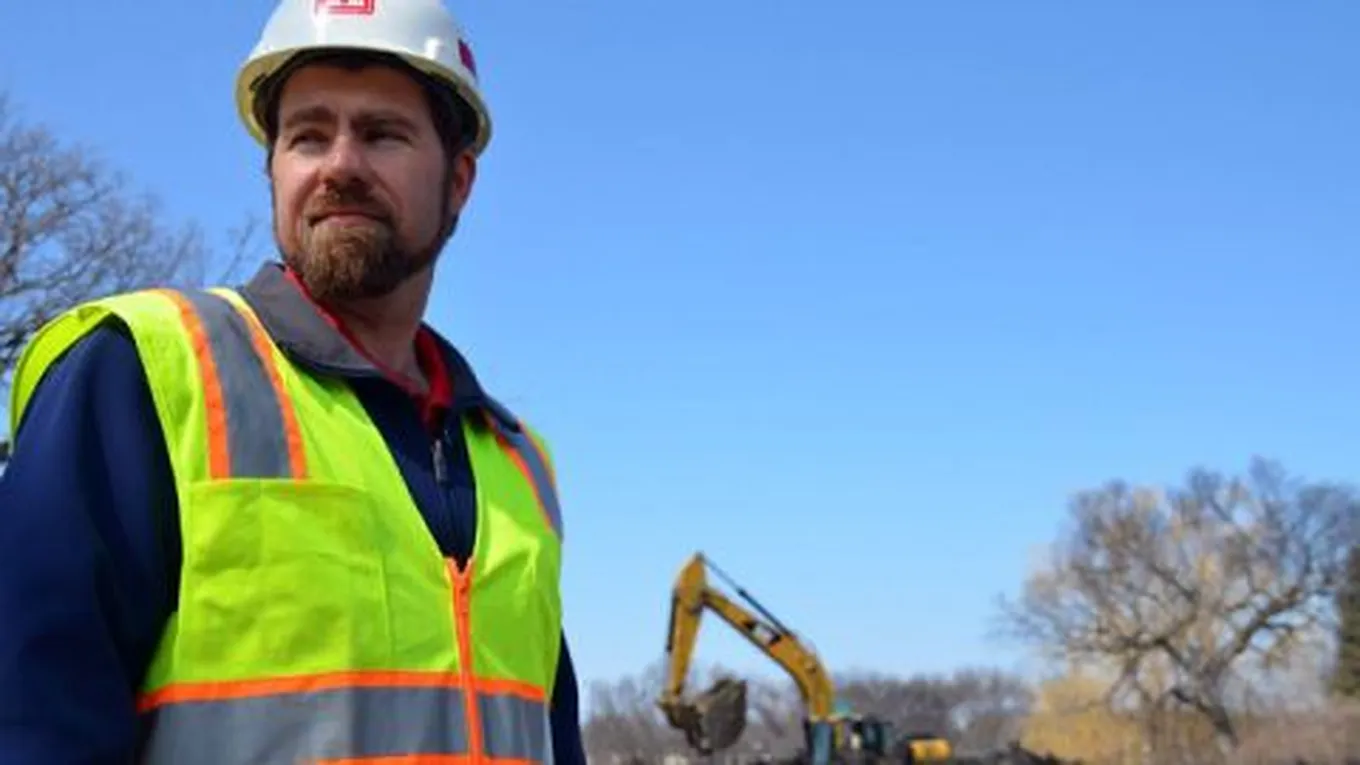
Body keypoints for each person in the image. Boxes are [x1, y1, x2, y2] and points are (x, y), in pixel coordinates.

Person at [0, 0, 586, 763]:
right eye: (308, 135)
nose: (340, 165)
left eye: (383, 133)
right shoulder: (137, 375)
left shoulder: (517, 464)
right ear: (273, 169)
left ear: (460, 181)